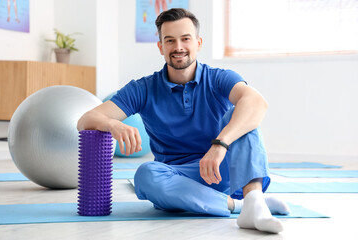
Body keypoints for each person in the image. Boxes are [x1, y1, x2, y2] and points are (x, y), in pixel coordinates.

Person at [77, 8, 289, 233]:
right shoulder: (143, 88)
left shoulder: (218, 78)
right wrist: (112, 124)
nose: (178, 47)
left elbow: (257, 102)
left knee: (243, 114)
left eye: (185, 39)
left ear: (198, 43)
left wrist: (220, 144)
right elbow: (85, 119)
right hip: (175, 180)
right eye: (170, 40)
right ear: (161, 47)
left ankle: (254, 199)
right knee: (145, 174)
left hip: (221, 169)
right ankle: (244, 206)